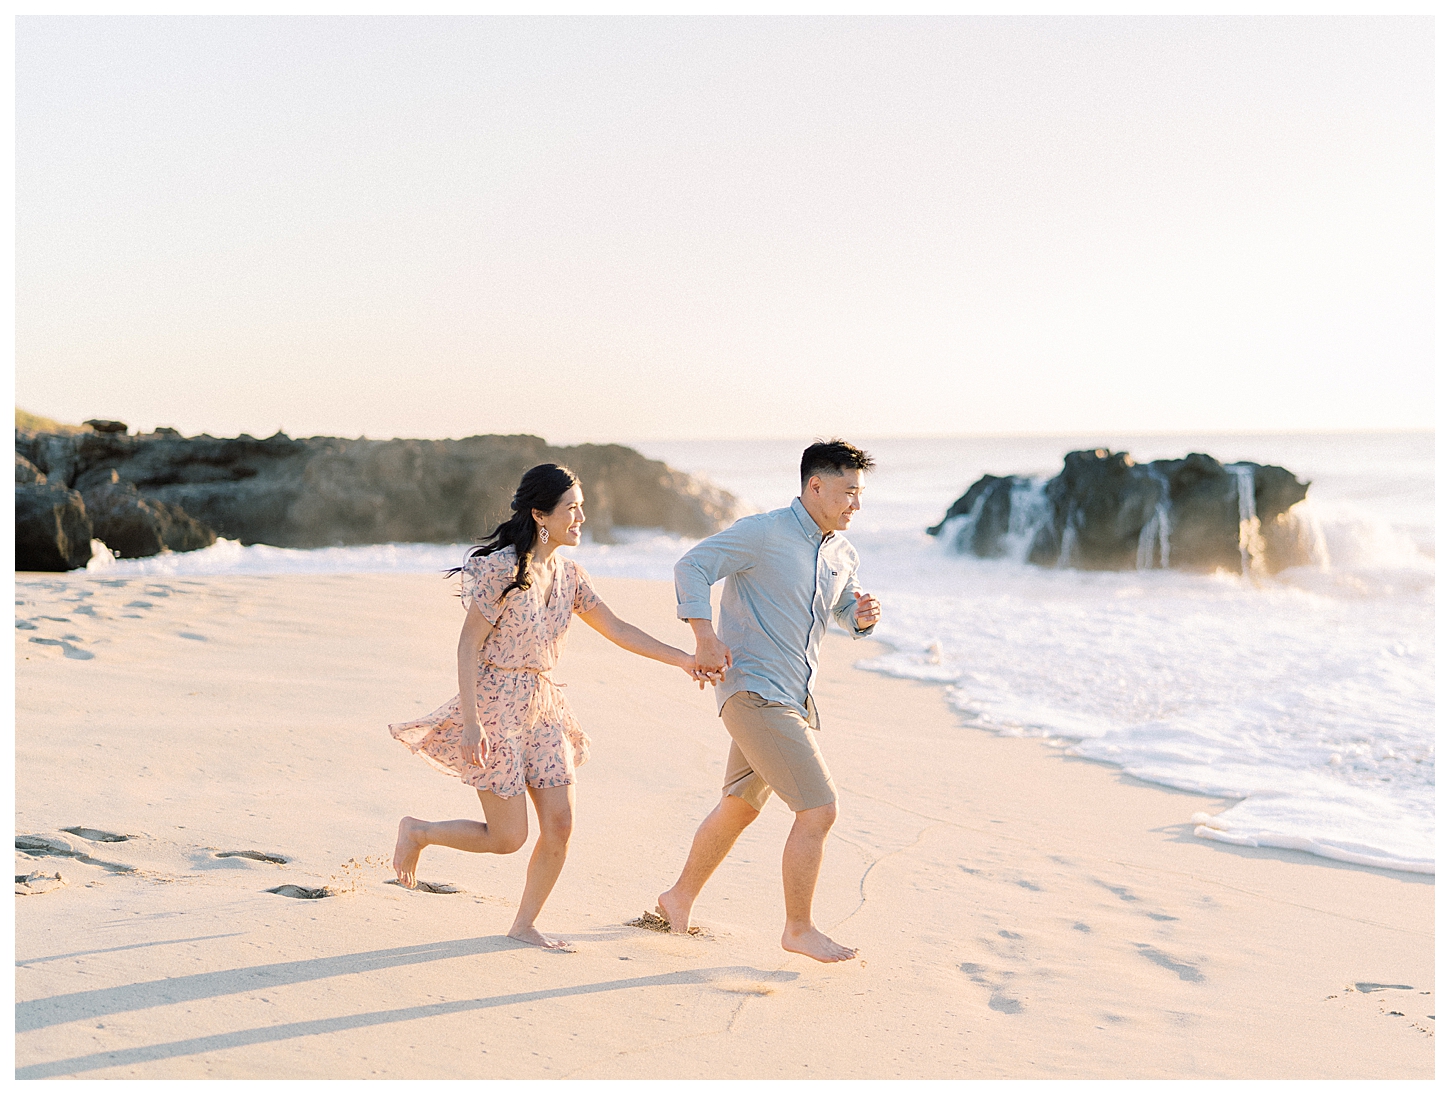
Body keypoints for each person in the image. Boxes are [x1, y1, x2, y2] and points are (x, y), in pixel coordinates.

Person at [389, 463, 707, 951]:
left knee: (560, 824)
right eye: (571, 508)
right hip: (494, 705)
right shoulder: (500, 569)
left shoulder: (570, 575)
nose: (581, 517)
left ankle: (523, 924)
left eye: (582, 507)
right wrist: (471, 722)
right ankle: (419, 832)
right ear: (541, 515)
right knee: (508, 837)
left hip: (543, 705)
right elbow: (468, 644)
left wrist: (685, 660)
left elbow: (619, 630)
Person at [656, 439, 882, 963]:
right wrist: (703, 636)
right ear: (815, 485)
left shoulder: (841, 552)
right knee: (819, 809)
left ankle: (677, 898)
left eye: (861, 494)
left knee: (738, 807)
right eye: (848, 492)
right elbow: (691, 566)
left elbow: (841, 609)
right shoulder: (763, 532)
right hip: (754, 691)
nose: (856, 504)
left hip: (791, 697)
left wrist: (862, 616)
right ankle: (798, 928)